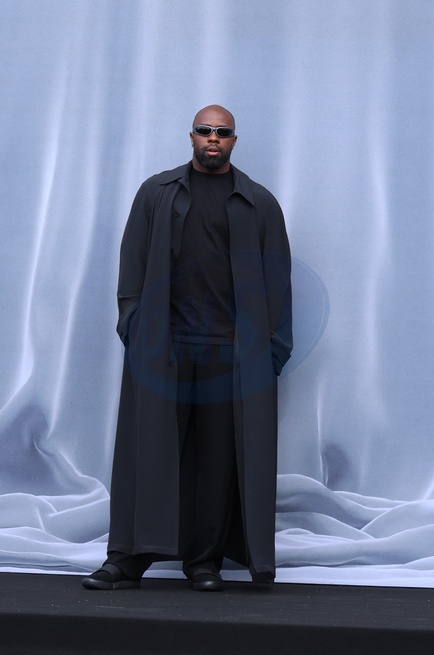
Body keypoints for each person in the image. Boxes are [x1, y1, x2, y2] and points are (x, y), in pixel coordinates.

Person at [82, 105, 292, 592]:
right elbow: (132, 267)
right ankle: (126, 559)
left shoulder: (259, 204)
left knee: (217, 463)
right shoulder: (157, 193)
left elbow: (278, 286)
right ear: (191, 136)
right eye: (204, 130)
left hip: (229, 355)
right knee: (149, 453)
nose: (212, 138)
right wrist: (135, 327)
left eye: (222, 132)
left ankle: (204, 563)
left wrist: (271, 355)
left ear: (234, 140)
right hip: (164, 350)